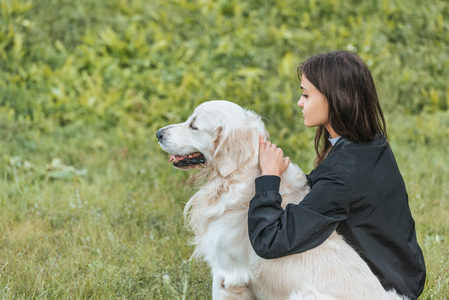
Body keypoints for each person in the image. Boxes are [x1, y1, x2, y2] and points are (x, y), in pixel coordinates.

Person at [248, 51, 426, 299]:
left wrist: (268, 178)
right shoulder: (371, 143)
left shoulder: (341, 173)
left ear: (335, 99)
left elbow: (269, 241)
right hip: (404, 278)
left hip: (378, 290)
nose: (300, 102)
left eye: (306, 95)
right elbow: (324, 196)